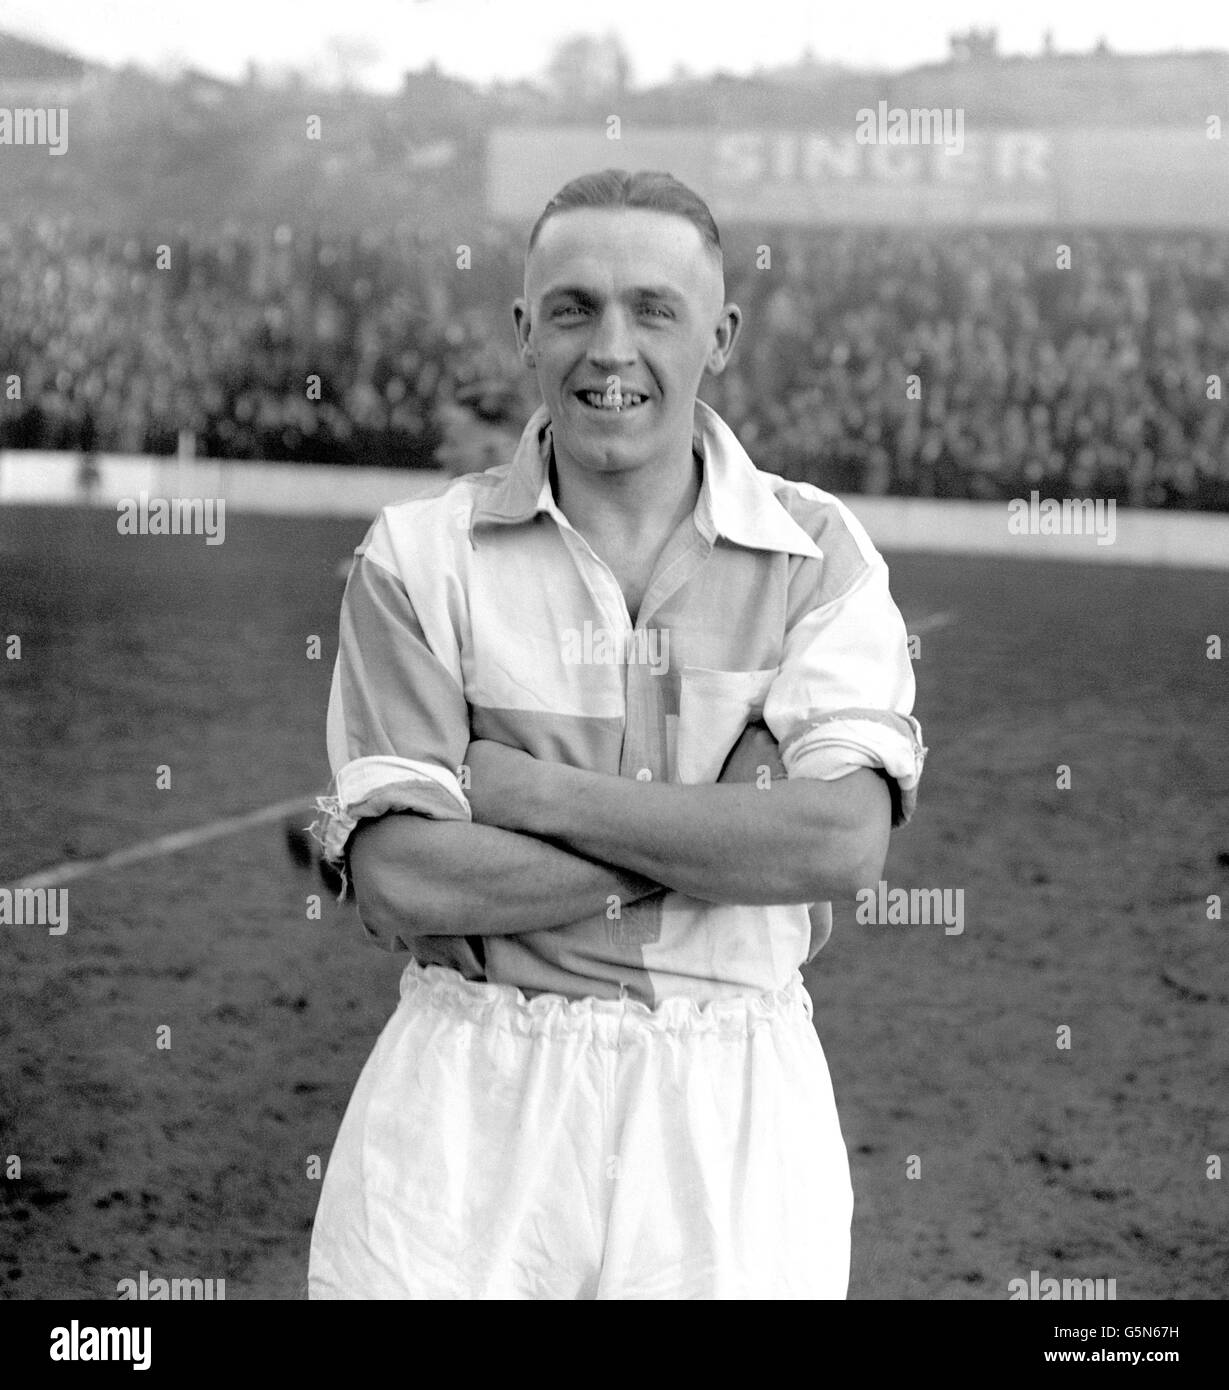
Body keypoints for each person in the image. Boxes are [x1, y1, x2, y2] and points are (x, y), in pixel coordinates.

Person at [307, 169, 926, 1300]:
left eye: (652, 308)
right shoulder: (413, 558)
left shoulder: (820, 553)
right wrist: (723, 835)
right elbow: (401, 880)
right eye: (572, 307)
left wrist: (525, 792)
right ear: (522, 331)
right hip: (468, 1102)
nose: (609, 348)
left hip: (731, 1108)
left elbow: (837, 846)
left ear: (720, 335)